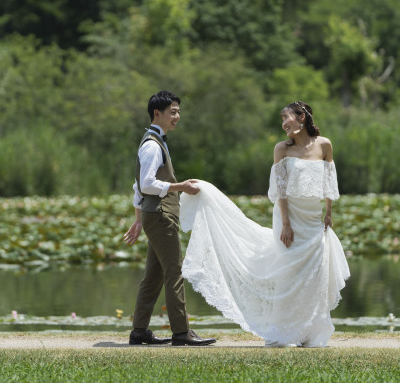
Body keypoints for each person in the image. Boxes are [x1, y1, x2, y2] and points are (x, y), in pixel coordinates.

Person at [179, 101, 350, 348]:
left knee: (314, 276)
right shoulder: (281, 149)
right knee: (289, 275)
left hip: (314, 219)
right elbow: (280, 191)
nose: (283, 124)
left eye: (287, 118)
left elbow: (329, 181)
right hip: (289, 216)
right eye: (282, 120)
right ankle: (284, 333)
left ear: (302, 118)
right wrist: (287, 224)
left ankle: (309, 333)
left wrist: (328, 214)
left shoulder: (325, 145)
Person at [123, 90, 216, 346]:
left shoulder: (155, 142)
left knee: (153, 277)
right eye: (172, 112)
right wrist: (181, 186)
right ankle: (181, 332)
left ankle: (139, 331)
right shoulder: (153, 145)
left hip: (155, 216)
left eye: (178, 111)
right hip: (161, 216)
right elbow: (146, 184)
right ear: (157, 114)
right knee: (175, 272)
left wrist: (139, 219)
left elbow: (137, 186)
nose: (177, 116)